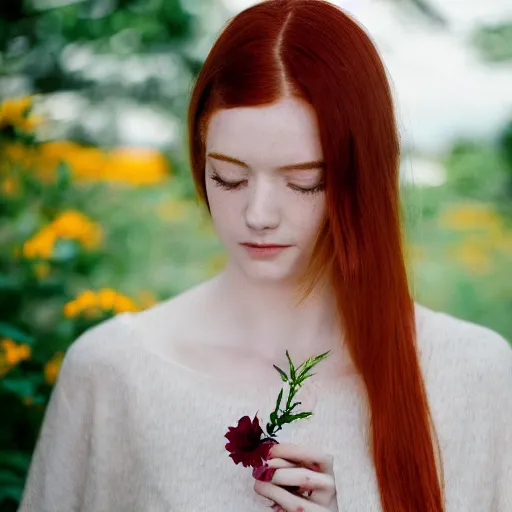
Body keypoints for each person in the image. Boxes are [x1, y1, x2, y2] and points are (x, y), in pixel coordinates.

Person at [18, 0, 512, 511]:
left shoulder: (473, 376)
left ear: (360, 180)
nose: (258, 214)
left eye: (304, 182)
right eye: (228, 177)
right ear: (198, 158)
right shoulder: (114, 373)